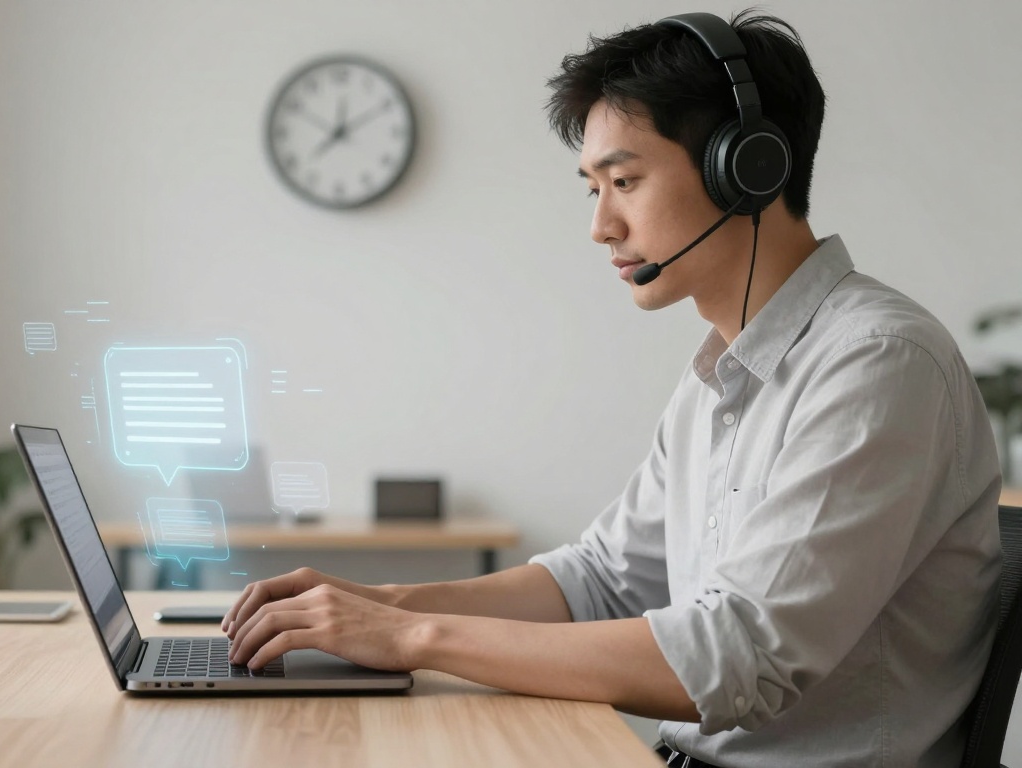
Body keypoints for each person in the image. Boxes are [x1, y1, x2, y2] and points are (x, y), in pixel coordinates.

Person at [222, 10, 1002, 767]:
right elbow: (599, 580)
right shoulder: (722, 374)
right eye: (592, 188)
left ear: (748, 168)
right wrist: (380, 605)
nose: (601, 225)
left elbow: (738, 658)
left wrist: (410, 639)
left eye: (623, 180)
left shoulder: (877, 363)